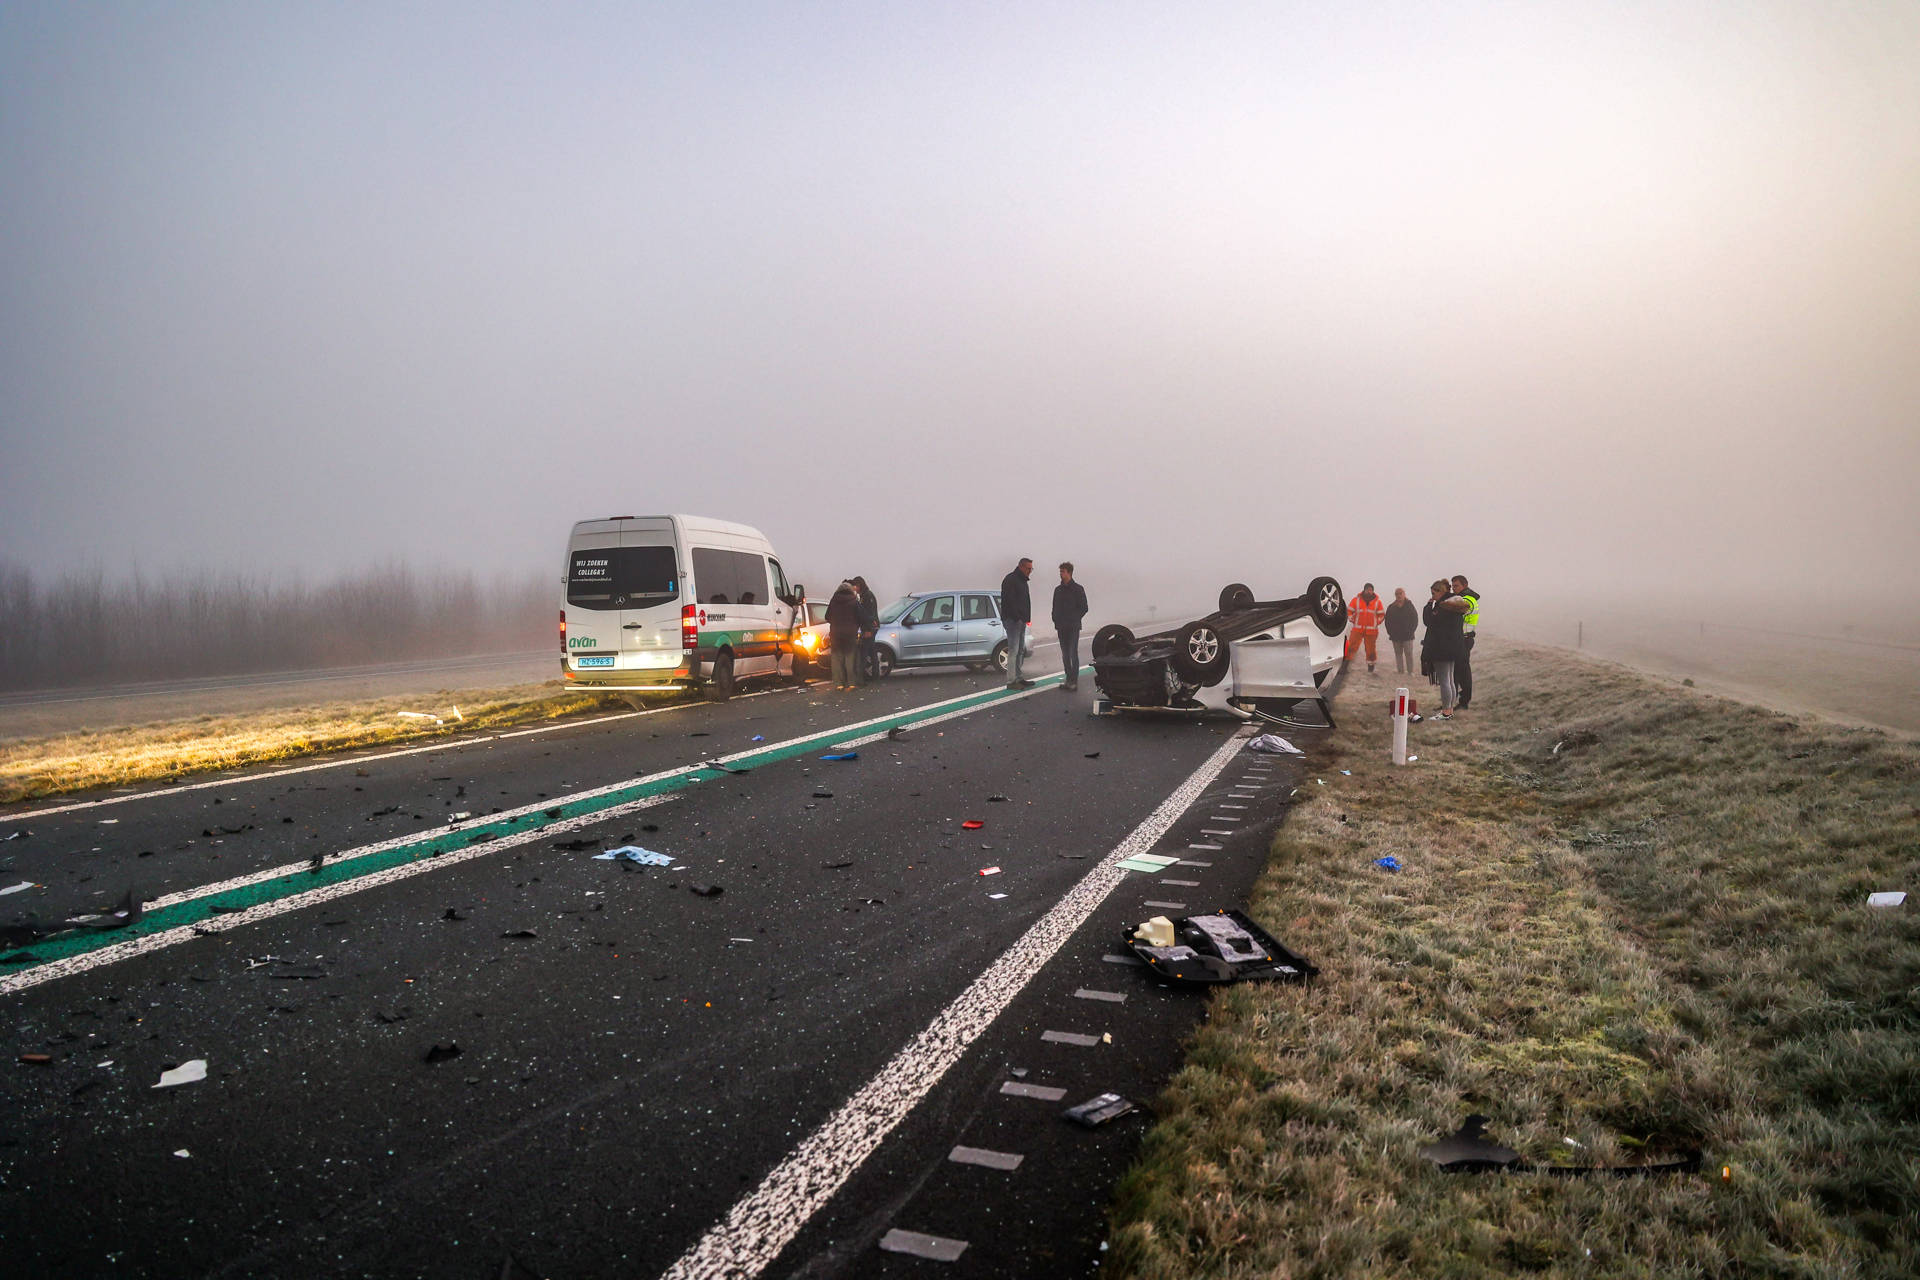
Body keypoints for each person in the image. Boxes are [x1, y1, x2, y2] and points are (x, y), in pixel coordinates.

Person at [1423, 580, 1471, 718]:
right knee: (1450, 680)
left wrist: (1428, 605)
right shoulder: (1455, 604)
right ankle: (1449, 710)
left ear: (1441, 592)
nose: (1432, 596)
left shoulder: (1443, 606)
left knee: (1445, 681)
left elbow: (1428, 621)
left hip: (1442, 648)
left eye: (1433, 593)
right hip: (1454, 648)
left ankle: (1446, 712)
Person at [1051, 562, 1088, 691]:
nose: (1061, 574)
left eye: (1063, 571)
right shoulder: (1058, 590)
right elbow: (1054, 607)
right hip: (1061, 627)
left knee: (1073, 653)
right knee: (1065, 654)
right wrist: (1055, 620)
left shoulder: (1078, 589)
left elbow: (1084, 607)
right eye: (1060, 571)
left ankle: (1074, 681)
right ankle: (1068, 679)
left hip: (1073, 626)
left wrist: (1074, 618)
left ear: (1069, 573)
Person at [999, 557, 1034, 688]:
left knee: (1019, 650)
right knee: (1013, 650)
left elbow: (1025, 602)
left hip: (1021, 620)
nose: (1030, 571)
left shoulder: (1023, 581)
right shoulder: (1011, 580)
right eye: (1028, 568)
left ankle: (1018, 677)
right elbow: (1009, 601)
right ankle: (1011, 681)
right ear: (1021, 566)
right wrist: (1018, 617)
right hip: (1013, 620)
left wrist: (1026, 618)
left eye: (1031, 569)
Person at [825, 580, 864, 690]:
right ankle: (851, 683)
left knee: (837, 659)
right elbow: (861, 617)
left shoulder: (834, 601)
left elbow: (827, 616)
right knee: (850, 658)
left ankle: (839, 684)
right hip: (850, 634)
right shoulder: (854, 601)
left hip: (836, 634)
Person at [1450, 575, 1480, 710]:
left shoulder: (1466, 600)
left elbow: (1452, 613)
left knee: (1462, 672)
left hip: (1464, 639)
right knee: (1457, 672)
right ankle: (1452, 701)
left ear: (1465, 585)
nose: (1453, 589)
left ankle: (1463, 701)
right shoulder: (1464, 598)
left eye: (1456, 586)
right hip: (1461, 639)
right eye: (1452, 586)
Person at [1344, 582, 1385, 674]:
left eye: (1371, 590)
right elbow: (1349, 611)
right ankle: (1344, 666)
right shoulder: (1356, 600)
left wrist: (1376, 622)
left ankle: (1371, 667)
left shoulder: (1377, 602)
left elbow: (1381, 615)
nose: (1369, 591)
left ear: (1373, 591)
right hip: (1357, 629)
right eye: (1367, 589)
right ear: (1364, 590)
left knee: (1371, 650)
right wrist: (1352, 619)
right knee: (1351, 647)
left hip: (1371, 631)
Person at [1384, 587, 1418, 674]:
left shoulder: (1410, 605)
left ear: (1404, 594)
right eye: (1397, 594)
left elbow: (1415, 619)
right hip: (1395, 636)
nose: (1399, 595)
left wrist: (1411, 631)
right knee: (1398, 654)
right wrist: (1390, 632)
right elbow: (1387, 621)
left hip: (1408, 635)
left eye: (1400, 593)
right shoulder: (1391, 607)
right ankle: (1400, 671)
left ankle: (1410, 671)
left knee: (1409, 653)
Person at [852, 576, 879, 684]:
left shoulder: (868, 596)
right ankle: (875, 675)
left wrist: (868, 629)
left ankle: (861, 678)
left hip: (869, 627)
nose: (854, 589)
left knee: (864, 653)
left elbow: (869, 614)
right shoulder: (864, 595)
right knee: (872, 652)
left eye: (855, 586)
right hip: (868, 627)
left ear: (859, 585)